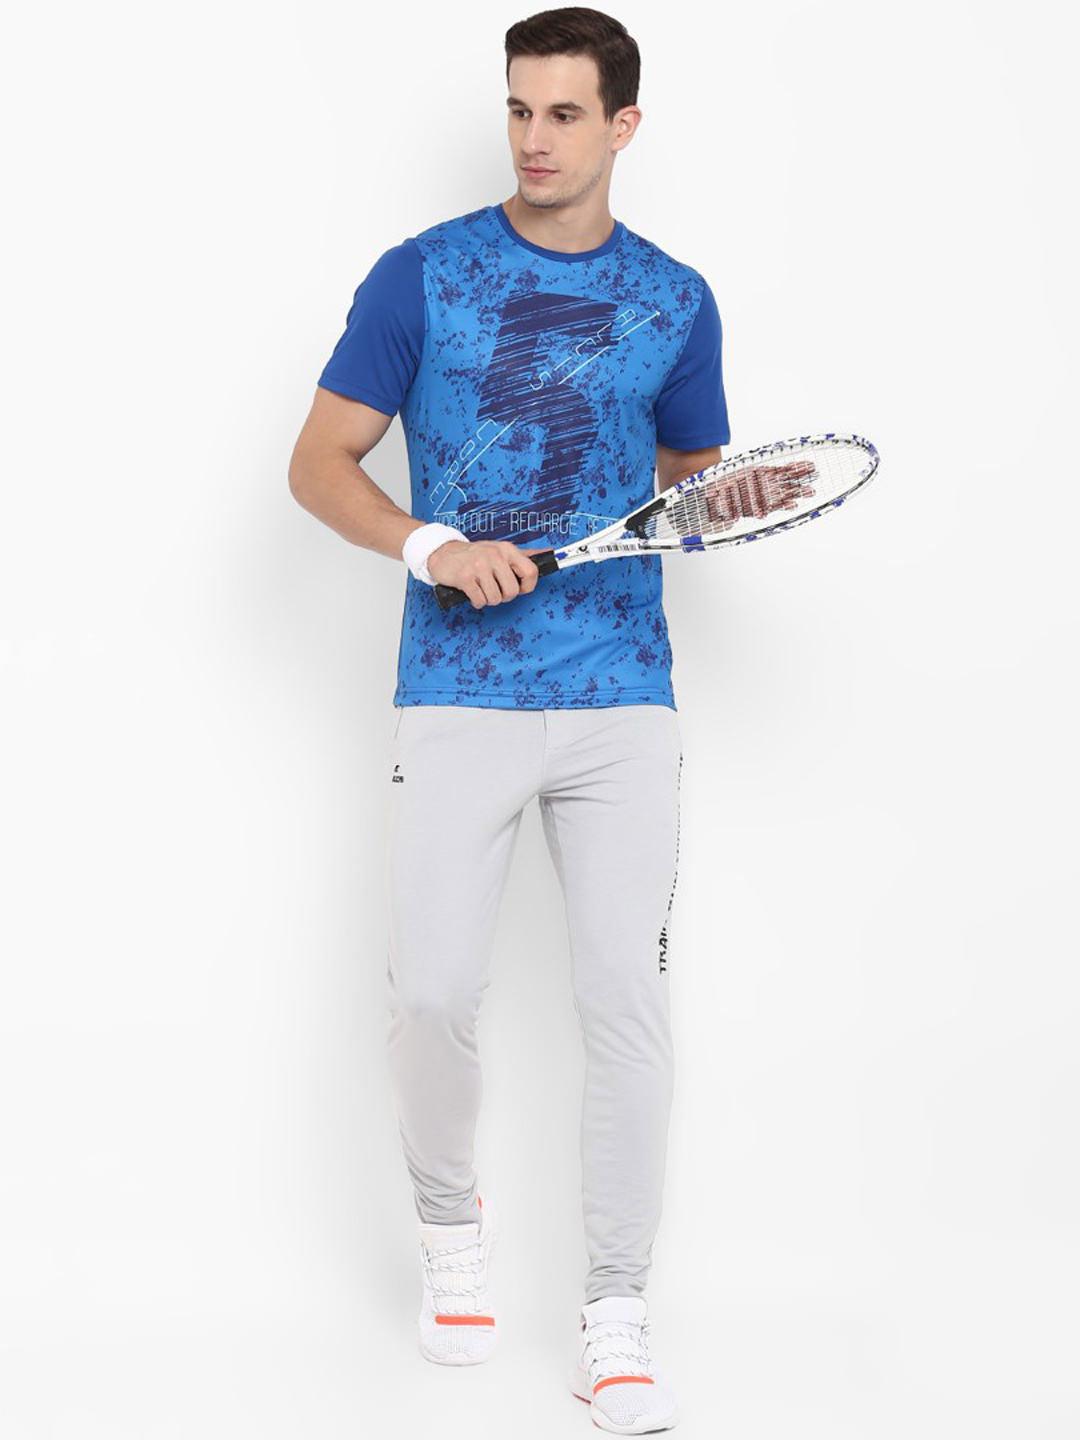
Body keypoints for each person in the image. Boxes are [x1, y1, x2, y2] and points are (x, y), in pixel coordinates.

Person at [288, 8, 730, 1432]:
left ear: (623, 126)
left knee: (625, 1008)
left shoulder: (675, 299)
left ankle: (616, 1313)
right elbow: (319, 461)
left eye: (565, 114)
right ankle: (450, 1230)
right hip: (457, 693)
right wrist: (428, 543)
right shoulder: (422, 276)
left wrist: (696, 512)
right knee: (431, 994)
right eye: (520, 110)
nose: (535, 139)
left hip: (623, 700)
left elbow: (696, 481)